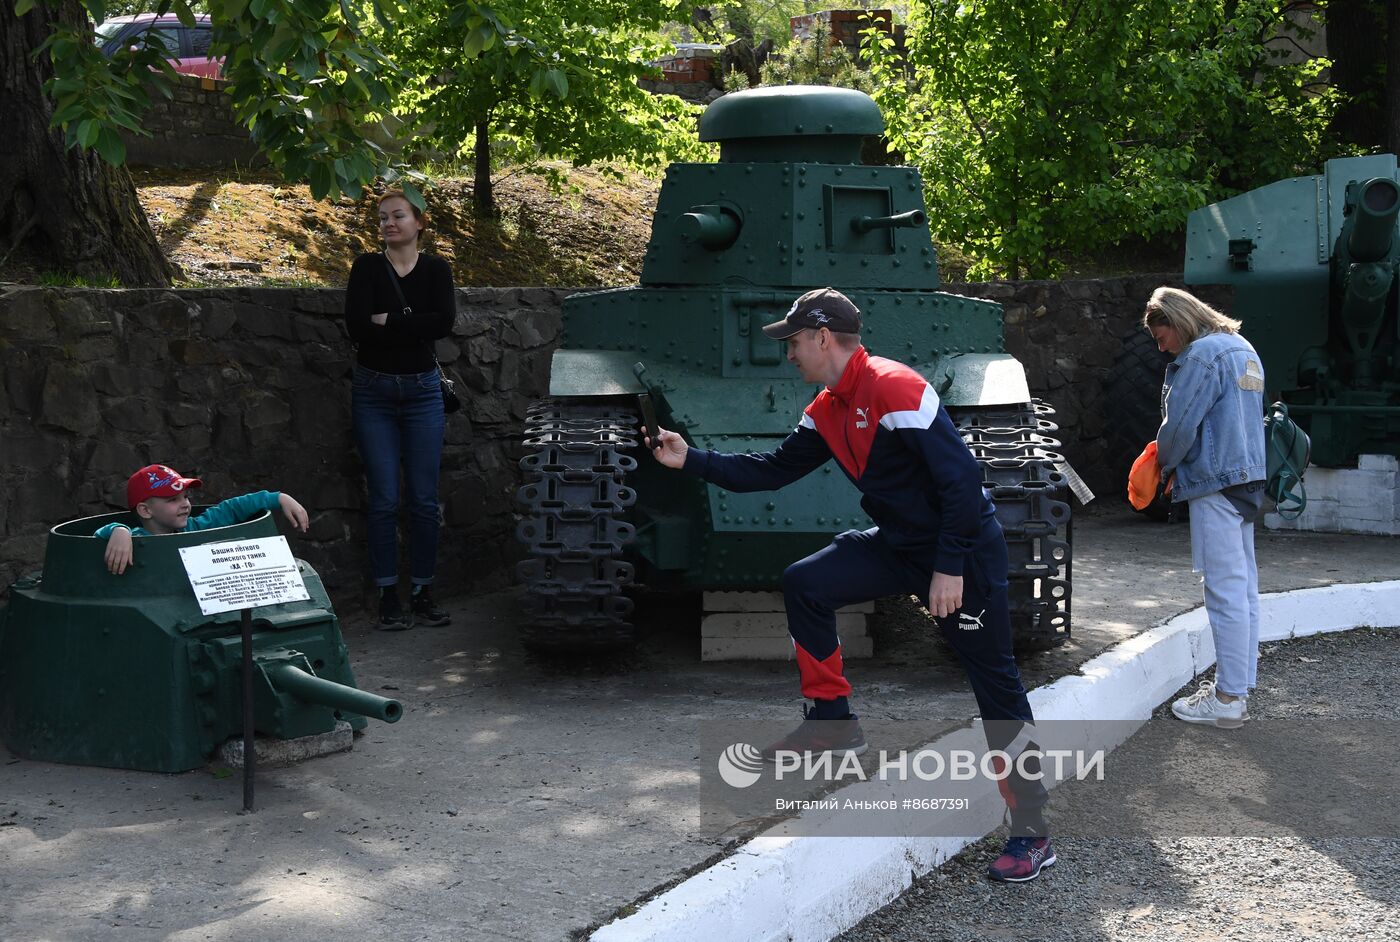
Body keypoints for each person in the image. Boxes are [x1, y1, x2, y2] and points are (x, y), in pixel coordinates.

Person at [646, 287, 1055, 883]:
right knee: (806, 583)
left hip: (963, 553)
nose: (787, 353)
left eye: (793, 340)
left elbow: (964, 484)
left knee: (995, 686)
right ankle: (832, 719)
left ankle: (1032, 832)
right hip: (899, 545)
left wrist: (949, 567)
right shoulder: (826, 407)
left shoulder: (897, 387)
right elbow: (771, 472)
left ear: (822, 338)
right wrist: (693, 460)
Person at [1146, 287, 1267, 729]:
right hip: (1249, 478)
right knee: (1243, 587)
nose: (1163, 349)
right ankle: (1240, 685)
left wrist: (1161, 464)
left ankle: (1229, 698)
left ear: (1178, 322)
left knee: (1222, 590)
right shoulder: (1242, 348)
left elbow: (1179, 425)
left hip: (1215, 483)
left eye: (1162, 339)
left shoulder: (1200, 356)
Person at [344, 190, 456, 630]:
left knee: (425, 500)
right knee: (385, 499)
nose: (389, 223)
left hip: (423, 393)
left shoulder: (436, 269)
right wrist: (411, 325)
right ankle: (389, 595)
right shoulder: (367, 267)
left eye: (398, 216)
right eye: (383, 218)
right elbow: (356, 327)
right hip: (373, 393)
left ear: (420, 221)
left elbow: (442, 325)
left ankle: (423, 591)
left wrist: (387, 320)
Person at [96, 464, 309, 575]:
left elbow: (231, 509)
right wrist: (119, 531)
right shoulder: (135, 538)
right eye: (172, 499)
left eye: (186, 497)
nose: (185, 504)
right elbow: (96, 536)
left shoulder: (195, 527)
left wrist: (277, 498)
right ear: (145, 510)